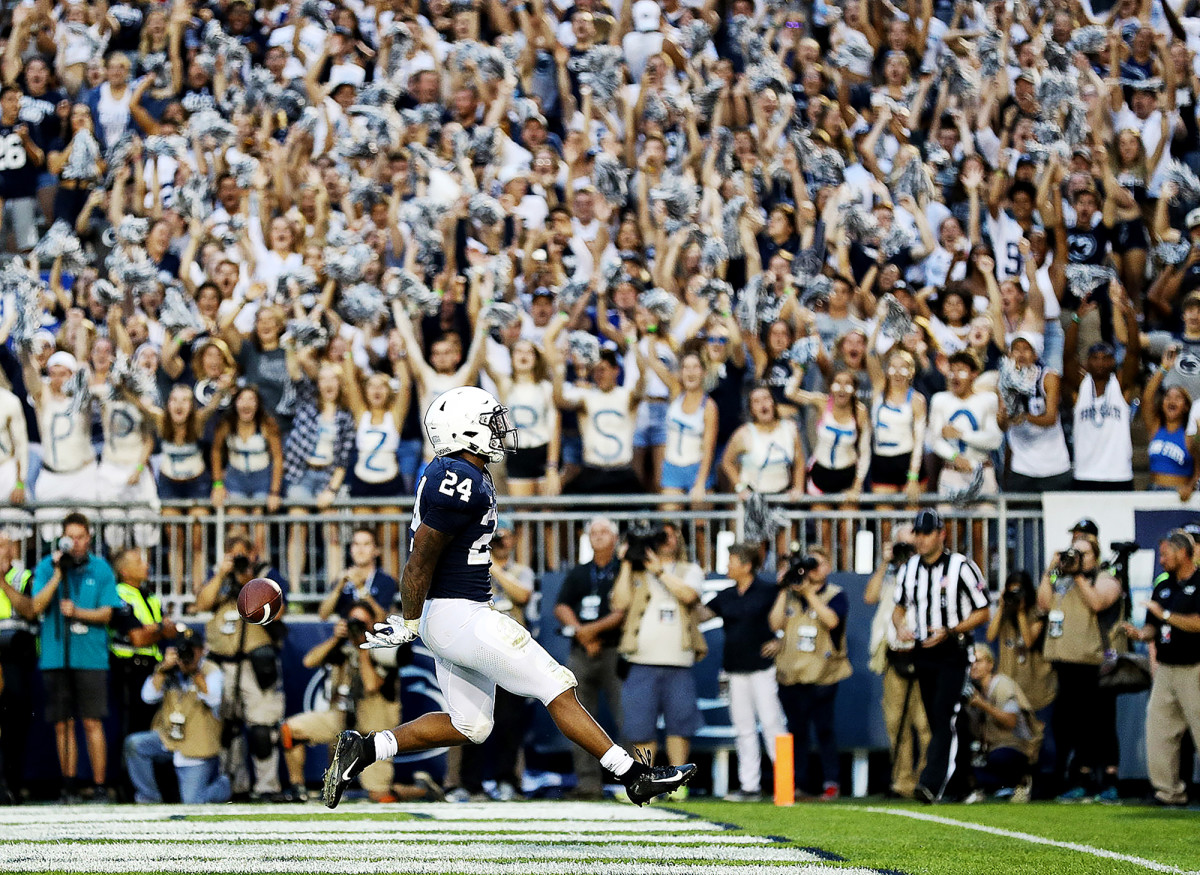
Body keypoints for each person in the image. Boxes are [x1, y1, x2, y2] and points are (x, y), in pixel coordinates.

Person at [321, 386, 696, 809]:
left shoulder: (461, 471)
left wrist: (418, 620)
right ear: (464, 430)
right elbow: (420, 558)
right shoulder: (458, 477)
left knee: (470, 726)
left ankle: (366, 749)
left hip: (452, 615)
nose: (499, 431)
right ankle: (634, 775)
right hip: (460, 614)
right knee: (556, 684)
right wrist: (409, 622)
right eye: (489, 422)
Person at [281, 601, 436, 803]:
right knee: (290, 730)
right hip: (342, 720)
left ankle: (422, 790)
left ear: (372, 623)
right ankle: (297, 787)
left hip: (373, 732)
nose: (357, 626)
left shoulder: (384, 649)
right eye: (353, 621)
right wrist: (336, 639)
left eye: (362, 622)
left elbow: (371, 685)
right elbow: (309, 661)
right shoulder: (343, 647)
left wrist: (363, 649)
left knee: (380, 796)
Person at [892, 508, 990, 803]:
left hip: (954, 651)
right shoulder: (909, 568)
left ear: (941, 535)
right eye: (917, 534)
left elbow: (984, 610)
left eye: (926, 533)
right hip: (923, 651)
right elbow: (899, 609)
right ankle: (962, 785)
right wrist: (901, 628)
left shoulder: (962, 566)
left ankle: (931, 784)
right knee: (942, 721)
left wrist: (951, 629)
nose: (920, 540)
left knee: (945, 714)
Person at [30, 512, 121, 803]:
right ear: (62, 538)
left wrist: (78, 612)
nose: (77, 543)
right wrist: (58, 574)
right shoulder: (47, 566)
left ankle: (98, 785)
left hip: (91, 657)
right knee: (62, 723)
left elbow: (108, 612)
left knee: (92, 721)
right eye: (72, 537)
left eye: (81, 537)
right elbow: (36, 607)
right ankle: (68, 785)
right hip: (56, 656)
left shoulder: (101, 568)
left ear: (89, 538)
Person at [610, 521, 707, 794]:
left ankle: (678, 783)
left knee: (680, 724)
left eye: (671, 533)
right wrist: (627, 563)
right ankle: (647, 780)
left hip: (679, 659)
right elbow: (619, 603)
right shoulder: (637, 572)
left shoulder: (690, 570)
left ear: (679, 538)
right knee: (642, 727)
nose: (667, 540)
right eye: (661, 535)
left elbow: (689, 595)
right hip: (641, 660)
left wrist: (660, 571)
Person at [195, 536, 289, 800]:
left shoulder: (267, 577)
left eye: (241, 555)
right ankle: (234, 786)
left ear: (253, 555)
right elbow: (201, 604)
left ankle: (267, 787)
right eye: (231, 554)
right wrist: (221, 575)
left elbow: (278, 610)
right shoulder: (219, 578)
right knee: (227, 728)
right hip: (219, 662)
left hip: (254, 664)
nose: (237, 560)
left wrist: (248, 580)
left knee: (262, 729)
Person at [1037, 532, 1123, 801]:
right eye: (1072, 552)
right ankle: (1079, 780)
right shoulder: (1059, 580)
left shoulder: (1104, 578)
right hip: (1064, 662)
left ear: (1094, 557)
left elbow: (1098, 602)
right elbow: (1042, 604)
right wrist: (1050, 570)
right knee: (1069, 726)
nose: (1075, 558)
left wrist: (1078, 575)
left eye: (1082, 554)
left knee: (1098, 725)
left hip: (1093, 662)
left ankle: (1107, 782)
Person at [454, 518, 533, 802]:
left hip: (511, 655)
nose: (500, 543)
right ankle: (470, 783)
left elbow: (522, 595)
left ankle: (507, 781)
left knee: (510, 722)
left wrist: (493, 569)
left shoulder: (521, 571)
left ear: (512, 540)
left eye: (504, 538)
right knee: (473, 717)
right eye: (495, 539)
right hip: (480, 651)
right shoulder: (473, 569)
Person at [701, 542, 787, 801]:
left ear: (746, 565)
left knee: (773, 724)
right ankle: (750, 786)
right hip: (735, 670)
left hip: (763, 669)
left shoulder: (769, 590)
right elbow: (702, 614)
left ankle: (785, 785)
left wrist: (780, 640)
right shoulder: (727, 595)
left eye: (731, 561)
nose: (727, 566)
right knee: (743, 728)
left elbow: (786, 620)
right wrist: (687, 596)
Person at [1121, 530, 1200, 807]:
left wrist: (1165, 614)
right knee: (1159, 731)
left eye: (1166, 554)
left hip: (1195, 668)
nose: (1162, 560)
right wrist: (1139, 634)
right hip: (1167, 669)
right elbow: (1154, 627)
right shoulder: (1163, 586)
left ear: (1182, 553)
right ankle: (1168, 793)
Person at [553, 516, 626, 800]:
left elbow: (625, 610)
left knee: (627, 717)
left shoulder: (623, 570)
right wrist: (584, 634)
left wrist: (588, 632)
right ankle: (588, 784)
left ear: (615, 537)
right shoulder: (579, 573)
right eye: (593, 532)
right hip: (582, 652)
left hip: (614, 649)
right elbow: (561, 606)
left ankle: (631, 780)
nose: (597, 536)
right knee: (580, 717)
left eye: (603, 532)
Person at [770, 546, 850, 800]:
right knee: (797, 733)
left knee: (825, 731)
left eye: (819, 563)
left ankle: (831, 782)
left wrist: (808, 592)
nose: (814, 569)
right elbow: (774, 623)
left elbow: (832, 621)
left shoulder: (836, 594)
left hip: (823, 676)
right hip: (792, 676)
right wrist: (784, 588)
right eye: (810, 564)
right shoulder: (791, 596)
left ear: (828, 568)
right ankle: (797, 784)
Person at [123, 628, 232, 805]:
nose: (187, 654)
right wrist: (162, 670)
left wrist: (195, 673)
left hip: (196, 746)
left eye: (192, 649)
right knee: (135, 744)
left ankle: (223, 786)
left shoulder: (211, 670)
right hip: (168, 738)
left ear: (202, 650)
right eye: (183, 649)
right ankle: (149, 797)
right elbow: (147, 696)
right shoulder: (169, 670)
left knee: (193, 802)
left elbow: (213, 699)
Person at [865, 530, 930, 800]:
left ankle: (926, 781)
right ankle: (902, 783)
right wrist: (885, 562)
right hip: (894, 655)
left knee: (925, 723)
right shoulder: (891, 575)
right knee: (896, 723)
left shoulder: (929, 572)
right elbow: (869, 596)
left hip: (925, 654)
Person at [108, 547, 176, 794]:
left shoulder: (149, 596)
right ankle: (127, 788)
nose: (146, 564)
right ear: (125, 571)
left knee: (153, 728)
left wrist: (154, 630)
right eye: (139, 561)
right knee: (131, 729)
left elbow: (159, 632)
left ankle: (152, 787)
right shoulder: (118, 594)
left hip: (152, 669)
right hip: (129, 670)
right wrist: (159, 628)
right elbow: (137, 638)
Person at [964, 645, 1039, 803]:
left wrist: (983, 705)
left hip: (1016, 747)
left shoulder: (1002, 684)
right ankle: (1006, 787)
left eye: (978, 661)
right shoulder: (974, 690)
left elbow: (1011, 721)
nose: (974, 665)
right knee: (966, 769)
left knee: (999, 758)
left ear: (990, 664)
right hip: (990, 749)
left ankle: (1021, 781)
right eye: (971, 662)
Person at [0, 533, 34, 803]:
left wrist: (1, 581)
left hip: (15, 659)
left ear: (12, 550)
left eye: (1, 546)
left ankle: (12, 784)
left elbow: (29, 610)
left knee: (15, 724)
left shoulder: (24, 578)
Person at [318, 527, 398, 623]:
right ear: (350, 549)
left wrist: (360, 587)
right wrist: (339, 588)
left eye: (366, 544)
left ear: (376, 550)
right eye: (356, 544)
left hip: (376, 635)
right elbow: (323, 615)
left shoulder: (386, 581)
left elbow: (381, 617)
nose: (360, 549)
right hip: (348, 635)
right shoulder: (343, 579)